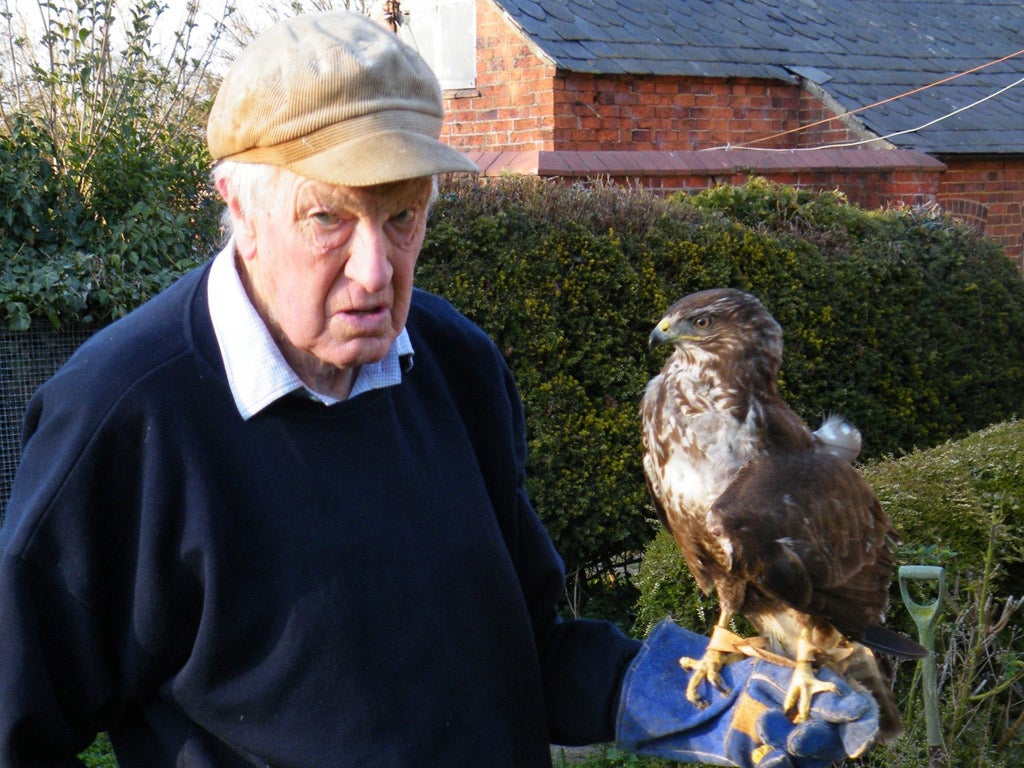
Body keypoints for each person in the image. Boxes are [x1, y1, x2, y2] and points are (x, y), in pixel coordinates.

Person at [0, 10, 878, 767]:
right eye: (328, 218)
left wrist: (674, 695)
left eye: (403, 216)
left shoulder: (456, 363)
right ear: (237, 203)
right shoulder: (122, 415)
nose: (376, 269)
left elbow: (517, 650)